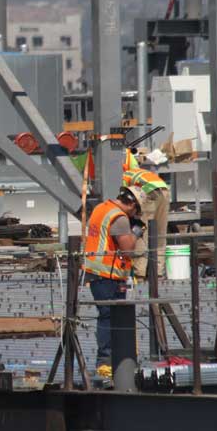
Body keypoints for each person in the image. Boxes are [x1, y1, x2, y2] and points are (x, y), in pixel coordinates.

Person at [83, 184, 146, 378]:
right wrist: (135, 231)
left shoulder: (102, 208)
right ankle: (108, 361)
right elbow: (127, 249)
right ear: (132, 204)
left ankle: (113, 360)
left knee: (107, 316)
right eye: (136, 210)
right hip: (108, 275)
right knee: (111, 317)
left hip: (95, 271)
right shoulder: (119, 218)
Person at [123, 149, 171, 279]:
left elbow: (124, 202)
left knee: (142, 232)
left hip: (149, 193)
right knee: (160, 233)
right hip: (164, 190)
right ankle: (158, 272)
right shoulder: (138, 172)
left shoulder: (124, 177)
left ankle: (140, 274)